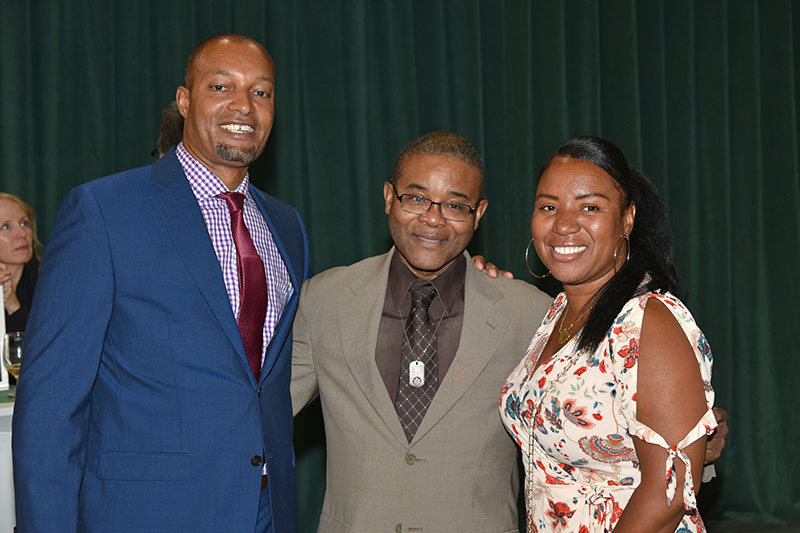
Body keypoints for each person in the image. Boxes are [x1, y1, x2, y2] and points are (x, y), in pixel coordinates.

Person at [13, 34, 309, 532]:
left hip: (265, 513)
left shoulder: (286, 226)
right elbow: (49, 408)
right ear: (185, 100)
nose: (244, 105)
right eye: (221, 86)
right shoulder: (103, 212)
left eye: (261, 92)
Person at [291, 131, 554, 531]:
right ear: (387, 197)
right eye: (415, 198)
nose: (433, 218)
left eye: (455, 205)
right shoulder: (324, 301)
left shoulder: (530, 314)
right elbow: (261, 412)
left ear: (478, 213)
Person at [500, 136, 716, 532]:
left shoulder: (649, 321)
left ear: (628, 219)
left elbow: (670, 492)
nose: (564, 224)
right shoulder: (559, 313)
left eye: (590, 207)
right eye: (549, 206)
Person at [0, 193, 41, 333]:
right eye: (5, 227)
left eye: (24, 223)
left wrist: (12, 305)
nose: (22, 233)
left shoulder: (50, 282)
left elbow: (45, 345)